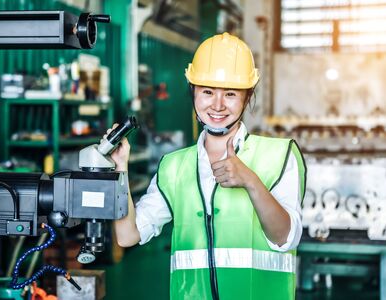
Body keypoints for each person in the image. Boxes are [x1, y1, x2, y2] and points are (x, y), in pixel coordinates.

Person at [111, 32, 306, 300]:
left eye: (230, 94)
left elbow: (285, 238)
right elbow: (127, 236)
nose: (217, 105)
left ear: (248, 97)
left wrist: (250, 181)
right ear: (192, 91)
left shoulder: (279, 155)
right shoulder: (174, 167)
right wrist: (120, 169)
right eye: (207, 92)